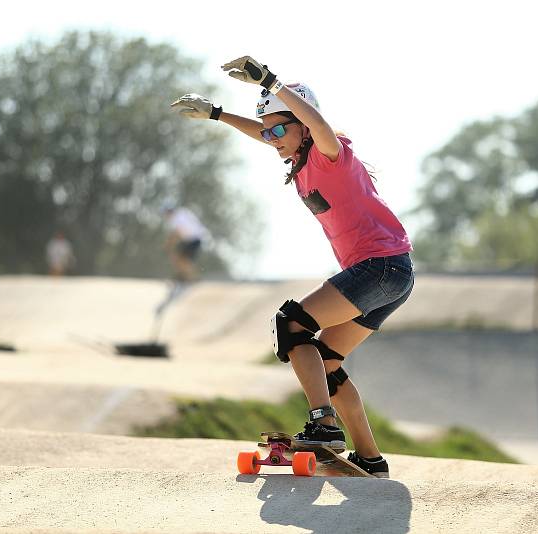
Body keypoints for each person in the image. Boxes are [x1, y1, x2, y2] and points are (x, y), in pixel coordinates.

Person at [171, 56, 414, 478]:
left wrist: (269, 81)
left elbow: (317, 124)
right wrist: (217, 114)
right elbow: (266, 132)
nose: (273, 138)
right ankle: (370, 458)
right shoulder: (300, 160)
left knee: (291, 325)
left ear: (302, 127)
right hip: (394, 274)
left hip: (379, 268)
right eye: (270, 132)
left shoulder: (329, 153)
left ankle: (323, 424)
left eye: (281, 129)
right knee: (326, 361)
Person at [162, 202, 209, 283]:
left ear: (168, 212)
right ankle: (184, 276)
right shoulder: (182, 212)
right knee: (181, 258)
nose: (166, 216)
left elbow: (177, 233)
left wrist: (168, 245)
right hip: (194, 238)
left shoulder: (175, 218)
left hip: (193, 238)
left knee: (182, 258)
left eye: (166, 213)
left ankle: (190, 278)